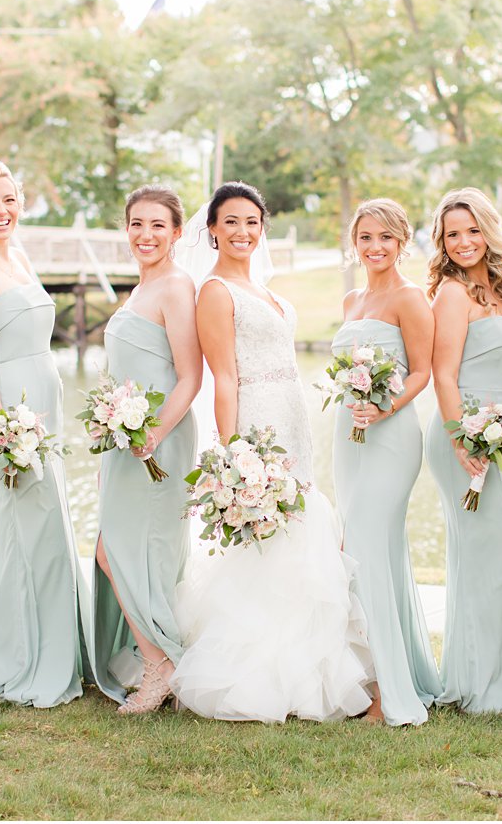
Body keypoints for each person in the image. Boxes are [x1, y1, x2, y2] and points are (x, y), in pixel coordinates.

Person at [169, 181, 375, 723]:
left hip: (293, 417)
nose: (242, 232)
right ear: (211, 229)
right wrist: (235, 453)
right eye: (230, 221)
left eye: (252, 222)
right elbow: (225, 378)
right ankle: (257, 670)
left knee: (301, 527)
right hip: (256, 421)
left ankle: (310, 658)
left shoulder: (267, 291)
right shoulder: (214, 292)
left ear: (262, 228)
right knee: (267, 534)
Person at [0, 159, 90, 706]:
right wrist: (3, 428)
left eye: (8, 199)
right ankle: (33, 662)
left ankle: (29, 651)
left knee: (34, 531)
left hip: (46, 404)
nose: (1, 210)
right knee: (35, 532)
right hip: (14, 410)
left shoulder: (20, 256)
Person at [424, 188, 502, 714]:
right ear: (442, 243)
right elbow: (444, 374)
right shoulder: (451, 295)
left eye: (473, 230)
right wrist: (458, 439)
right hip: (467, 437)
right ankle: (484, 687)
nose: (464, 242)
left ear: (489, 232)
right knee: (485, 557)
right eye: (453, 234)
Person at [330, 199, 441, 726]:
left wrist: (383, 405)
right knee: (362, 554)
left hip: (391, 433)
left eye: (386, 238)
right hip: (348, 437)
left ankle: (388, 696)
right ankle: (382, 675)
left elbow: (422, 372)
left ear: (403, 242)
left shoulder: (410, 297)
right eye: (366, 237)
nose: (375, 247)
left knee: (369, 551)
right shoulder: (352, 297)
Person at [92, 186, 202, 713]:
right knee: (113, 550)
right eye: (136, 224)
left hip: (161, 441)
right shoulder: (140, 289)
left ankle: (161, 668)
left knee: (134, 552)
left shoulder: (177, 287)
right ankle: (160, 661)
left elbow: (189, 377)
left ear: (177, 233)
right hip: (125, 442)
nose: (146, 235)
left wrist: (153, 432)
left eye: (158, 225)